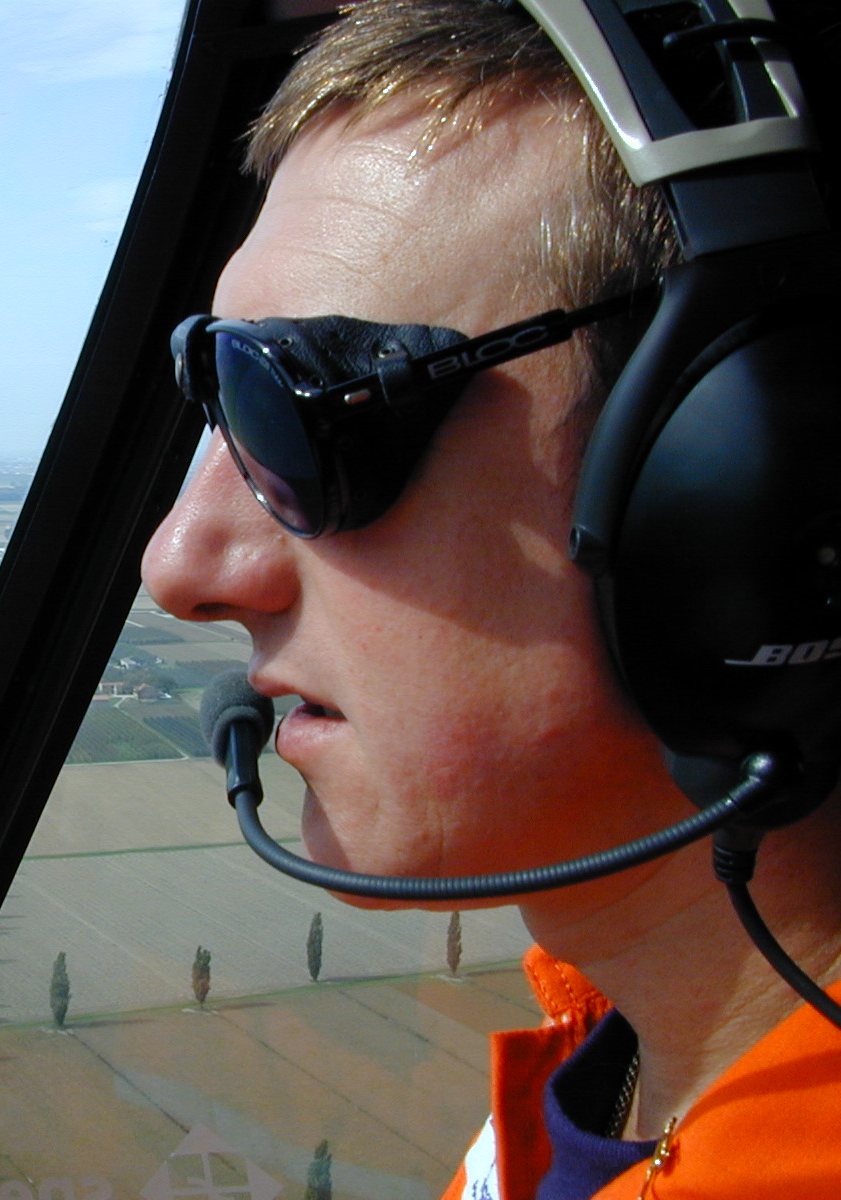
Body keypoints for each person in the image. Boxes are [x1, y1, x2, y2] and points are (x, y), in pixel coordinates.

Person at [139, 1, 841, 1196]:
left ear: (764, 485)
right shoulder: (607, 1075)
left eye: (295, 410)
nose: (180, 566)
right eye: (212, 392)